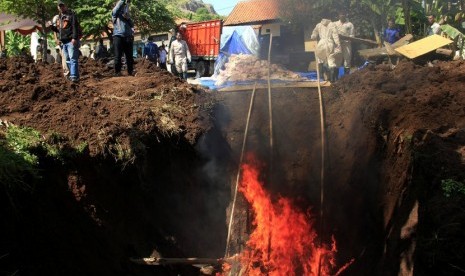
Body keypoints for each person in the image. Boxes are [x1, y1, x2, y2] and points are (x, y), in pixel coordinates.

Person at [51, 0, 80, 82]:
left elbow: (75, 26)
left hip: (71, 40)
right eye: (60, 6)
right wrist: (52, 28)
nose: (61, 7)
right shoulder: (59, 17)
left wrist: (74, 38)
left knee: (73, 58)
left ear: (65, 6)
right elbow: (59, 30)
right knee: (67, 59)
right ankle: (75, 76)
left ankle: (73, 75)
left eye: (62, 6)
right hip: (63, 42)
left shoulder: (71, 15)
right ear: (58, 8)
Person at [311, 18, 342, 82]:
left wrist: (313, 37)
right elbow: (335, 35)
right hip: (330, 44)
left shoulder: (318, 25)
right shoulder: (332, 24)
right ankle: (332, 80)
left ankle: (322, 78)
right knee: (331, 60)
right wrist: (338, 44)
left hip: (321, 44)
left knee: (320, 59)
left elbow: (314, 33)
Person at [112, 0, 135, 76]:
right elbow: (117, 8)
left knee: (129, 56)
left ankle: (130, 71)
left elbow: (132, 25)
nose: (122, 7)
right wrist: (122, 0)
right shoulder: (115, 14)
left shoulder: (125, 15)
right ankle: (117, 72)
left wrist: (128, 18)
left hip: (128, 36)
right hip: (118, 36)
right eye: (121, 6)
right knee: (117, 56)